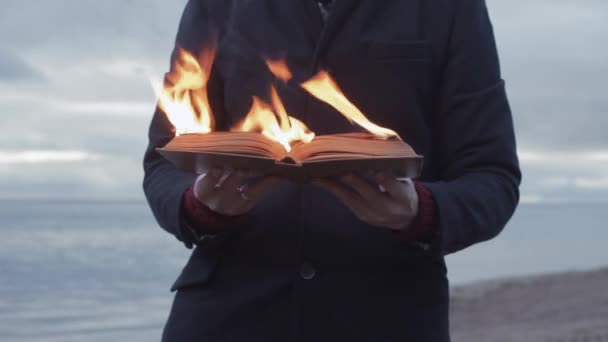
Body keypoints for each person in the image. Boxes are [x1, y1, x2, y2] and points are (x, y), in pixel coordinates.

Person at [143, 0, 521, 341]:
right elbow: (163, 160)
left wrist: (419, 212)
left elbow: (492, 177)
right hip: (224, 316)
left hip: (385, 319)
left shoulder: (451, 9)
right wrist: (199, 206)